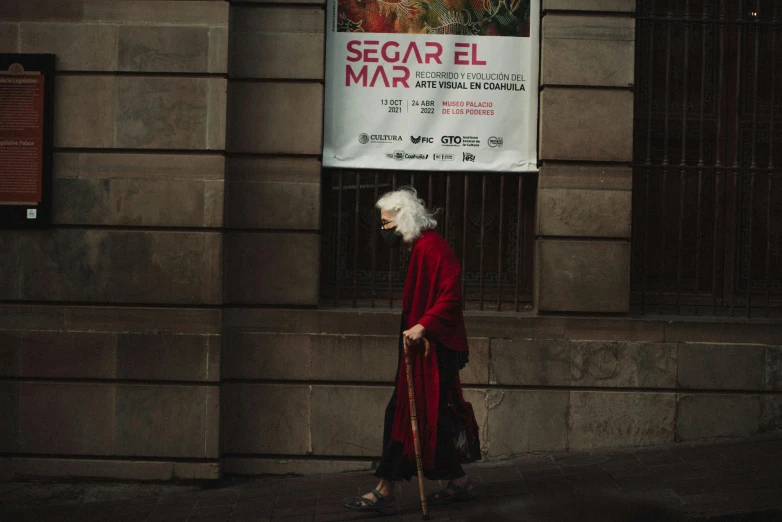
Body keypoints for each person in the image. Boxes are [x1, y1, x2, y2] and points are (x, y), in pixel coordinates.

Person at [342, 187, 480, 516]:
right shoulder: (421, 247)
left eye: (387, 224)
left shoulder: (432, 247)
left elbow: (452, 293)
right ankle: (458, 482)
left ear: (404, 220)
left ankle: (385, 490)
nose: (383, 230)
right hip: (426, 346)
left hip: (435, 347)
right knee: (433, 415)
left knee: (405, 413)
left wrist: (424, 325)